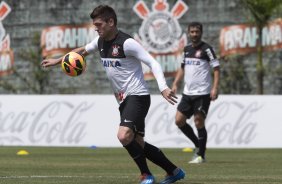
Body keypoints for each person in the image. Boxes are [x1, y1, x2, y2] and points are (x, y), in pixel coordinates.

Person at [41, 5, 185, 184]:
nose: (96, 28)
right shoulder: (100, 41)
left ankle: (146, 175)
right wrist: (57, 60)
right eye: (95, 25)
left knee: (123, 135)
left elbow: (152, 62)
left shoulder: (127, 43)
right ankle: (174, 171)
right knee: (138, 143)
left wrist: (163, 87)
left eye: (99, 24)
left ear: (111, 22)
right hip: (124, 100)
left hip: (137, 96)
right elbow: (83, 51)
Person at [171, 22, 220, 164]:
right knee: (179, 121)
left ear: (201, 33)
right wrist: (175, 84)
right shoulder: (186, 50)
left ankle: (201, 155)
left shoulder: (207, 49)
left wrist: (215, 88)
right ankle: (197, 144)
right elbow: (182, 68)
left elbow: (216, 69)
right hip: (187, 93)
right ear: (188, 33)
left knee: (198, 121)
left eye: (197, 32)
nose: (194, 34)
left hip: (203, 93)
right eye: (192, 32)